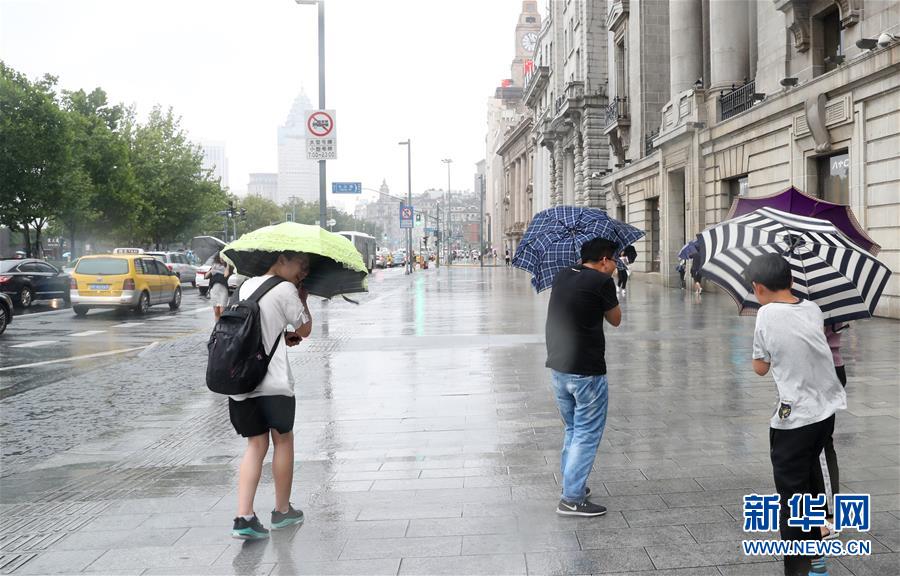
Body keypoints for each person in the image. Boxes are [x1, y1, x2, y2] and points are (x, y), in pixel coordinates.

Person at [746, 254, 847, 576]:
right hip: (825, 410)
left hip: (795, 417)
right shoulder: (812, 308)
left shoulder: (766, 314)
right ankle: (817, 551)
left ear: (758, 288)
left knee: (791, 496)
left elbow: (761, 367)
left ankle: (801, 568)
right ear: (791, 281)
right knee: (809, 477)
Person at [229, 251, 313, 540]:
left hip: (240, 381)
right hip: (273, 383)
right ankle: (281, 511)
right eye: (301, 266)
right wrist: (303, 297)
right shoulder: (285, 288)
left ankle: (244, 517)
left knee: (255, 444)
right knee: (283, 439)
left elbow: (255, 328)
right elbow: (305, 328)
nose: (302, 273)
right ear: (283, 258)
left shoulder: (243, 286)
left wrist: (281, 335)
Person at [545, 238, 621, 517]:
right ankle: (572, 498)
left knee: (573, 430)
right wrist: (609, 286)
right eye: (614, 260)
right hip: (586, 372)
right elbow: (615, 319)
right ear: (604, 260)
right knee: (587, 434)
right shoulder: (602, 283)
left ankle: (572, 484)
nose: (615, 264)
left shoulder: (563, 275)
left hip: (559, 367)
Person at [814, 322, 849, 540]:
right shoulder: (829, 295)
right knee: (816, 444)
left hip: (823, 369)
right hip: (826, 367)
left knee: (821, 446)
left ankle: (830, 519)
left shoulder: (815, 303)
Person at [206, 252, 230, 321]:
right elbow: (206, 276)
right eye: (220, 257)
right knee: (216, 312)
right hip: (214, 290)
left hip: (223, 290)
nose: (221, 258)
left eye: (223, 257)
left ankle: (222, 327)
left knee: (222, 312)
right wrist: (211, 270)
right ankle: (217, 327)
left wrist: (227, 265)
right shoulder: (214, 266)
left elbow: (226, 275)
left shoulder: (226, 267)